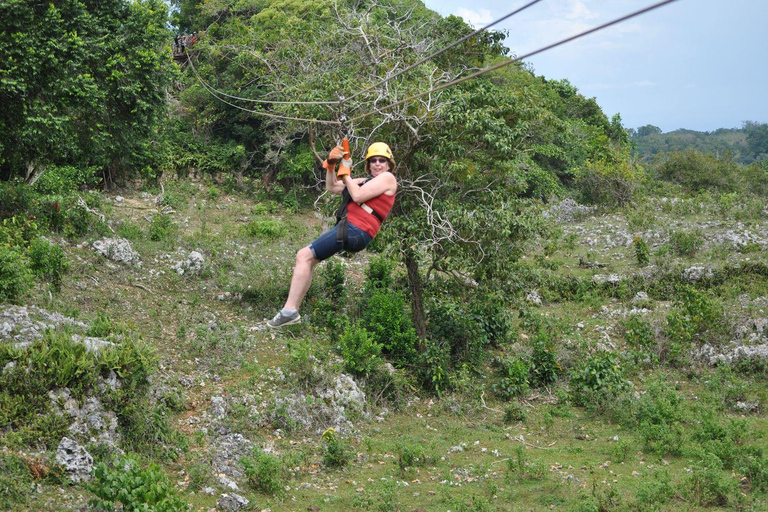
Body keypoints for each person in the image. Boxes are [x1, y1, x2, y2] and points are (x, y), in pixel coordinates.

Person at [267, 142, 398, 328]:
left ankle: (289, 311)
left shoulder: (388, 178)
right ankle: (292, 310)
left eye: (382, 161)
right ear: (369, 164)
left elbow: (358, 196)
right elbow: (332, 187)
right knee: (308, 260)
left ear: (388, 164)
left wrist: (346, 172)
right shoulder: (365, 181)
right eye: (374, 160)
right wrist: (331, 165)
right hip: (353, 231)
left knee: (303, 255)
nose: (378, 164)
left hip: (355, 229)